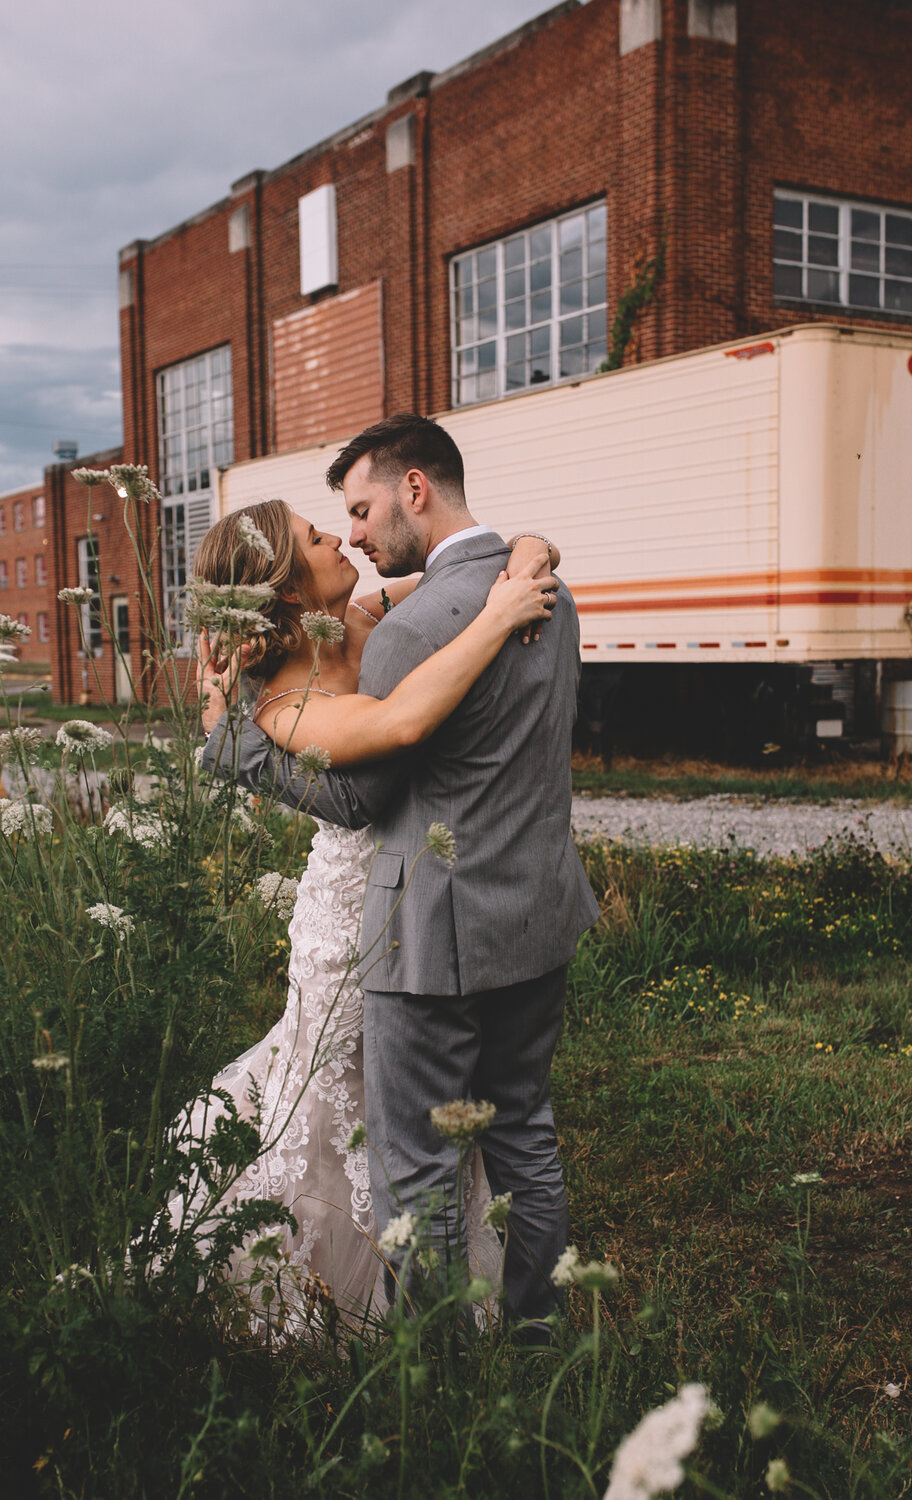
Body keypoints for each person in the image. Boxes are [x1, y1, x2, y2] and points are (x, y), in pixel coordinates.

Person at [203, 414, 600, 1336]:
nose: (345, 534)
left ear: (413, 488)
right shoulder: (545, 589)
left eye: (353, 511)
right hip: (530, 909)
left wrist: (236, 750)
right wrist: (522, 564)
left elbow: (368, 787)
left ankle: (435, 1366)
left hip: (432, 926)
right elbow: (361, 780)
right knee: (521, 1136)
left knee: (414, 1163)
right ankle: (537, 1329)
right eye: (322, 532)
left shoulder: (393, 628)